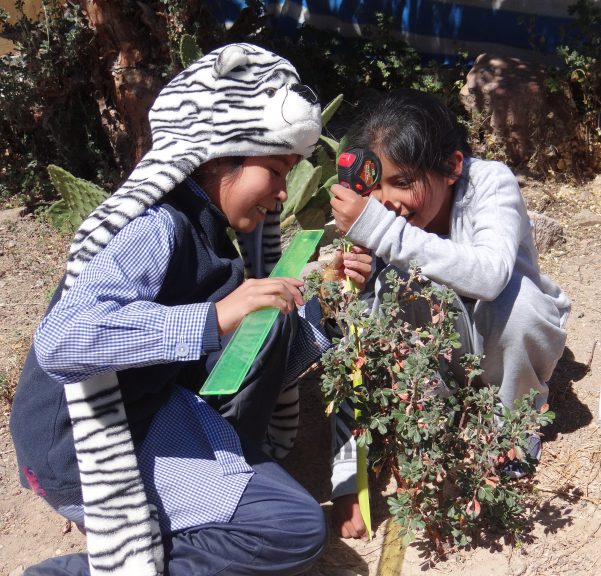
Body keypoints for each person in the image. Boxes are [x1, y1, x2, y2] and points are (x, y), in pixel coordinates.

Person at [9, 43, 371, 575]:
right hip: (80, 451)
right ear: (221, 155)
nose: (281, 193)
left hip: (150, 409)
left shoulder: (207, 231)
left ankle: (200, 497)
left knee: (267, 326)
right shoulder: (155, 228)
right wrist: (214, 317)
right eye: (276, 170)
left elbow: (251, 354)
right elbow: (63, 341)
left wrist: (326, 304)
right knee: (292, 529)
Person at [328, 88, 571, 539]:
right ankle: (435, 422)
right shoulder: (381, 219)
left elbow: (490, 276)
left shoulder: (490, 183)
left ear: (453, 166)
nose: (386, 200)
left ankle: (515, 425)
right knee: (386, 291)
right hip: (441, 363)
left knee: (521, 303)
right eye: (378, 185)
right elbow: (357, 346)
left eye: (403, 182)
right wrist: (346, 485)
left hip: (499, 344)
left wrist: (380, 231)